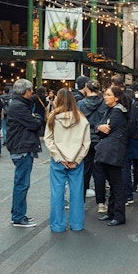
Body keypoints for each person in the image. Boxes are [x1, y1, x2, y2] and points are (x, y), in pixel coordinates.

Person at [44, 89, 91, 232]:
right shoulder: (82, 118)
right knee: (77, 193)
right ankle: (77, 224)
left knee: (57, 193)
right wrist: (77, 159)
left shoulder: (53, 117)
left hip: (58, 161)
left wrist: (58, 157)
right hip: (76, 161)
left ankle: (58, 226)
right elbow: (86, 143)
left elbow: (48, 139)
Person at [6, 78, 43, 228]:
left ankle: (17, 214)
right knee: (22, 184)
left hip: (21, 146)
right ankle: (18, 217)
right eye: (31, 90)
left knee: (20, 183)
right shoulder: (19, 106)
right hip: (22, 147)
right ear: (27, 91)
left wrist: (35, 118)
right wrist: (37, 117)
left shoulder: (16, 103)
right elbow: (34, 124)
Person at [95, 86, 129, 226]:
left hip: (114, 152)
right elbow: (99, 126)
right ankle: (112, 212)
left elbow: (106, 130)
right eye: (105, 94)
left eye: (108, 94)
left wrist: (100, 128)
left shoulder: (117, 112)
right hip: (111, 151)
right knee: (113, 184)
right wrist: (99, 127)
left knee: (117, 184)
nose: (105, 96)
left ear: (116, 97)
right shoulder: (111, 110)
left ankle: (119, 216)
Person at [78, 79, 108, 212]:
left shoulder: (80, 104)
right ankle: (101, 203)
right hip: (100, 139)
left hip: (85, 139)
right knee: (99, 171)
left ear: (87, 89)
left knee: (84, 171)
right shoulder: (104, 103)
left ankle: (80, 202)